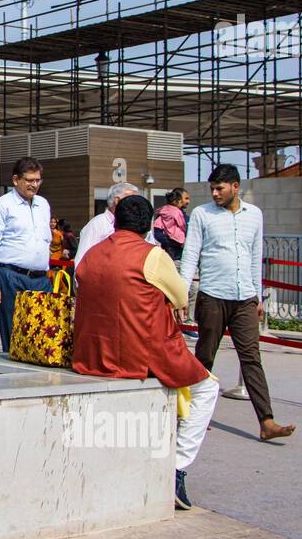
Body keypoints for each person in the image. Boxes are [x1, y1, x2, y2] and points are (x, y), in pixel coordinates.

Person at [72, 195, 220, 510]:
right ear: (150, 225)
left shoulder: (91, 256)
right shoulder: (152, 256)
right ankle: (178, 467)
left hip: (90, 353)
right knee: (209, 387)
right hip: (139, 353)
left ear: (114, 221)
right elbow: (181, 296)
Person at [180, 164, 295, 441]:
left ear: (235, 187)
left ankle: (266, 422)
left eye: (220, 188)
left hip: (245, 298)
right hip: (212, 296)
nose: (215, 193)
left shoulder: (254, 215)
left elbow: (256, 255)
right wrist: (182, 293)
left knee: (251, 358)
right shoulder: (201, 214)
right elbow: (191, 253)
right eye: (212, 189)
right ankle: (195, 413)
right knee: (205, 357)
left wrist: (257, 294)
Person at [0, 157, 53, 355]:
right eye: (30, 180)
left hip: (40, 278)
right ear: (16, 180)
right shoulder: (2, 206)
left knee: (42, 332)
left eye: (38, 180)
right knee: (14, 330)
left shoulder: (43, 205)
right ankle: (12, 374)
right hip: (11, 275)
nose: (34, 185)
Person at [73, 181, 156, 268]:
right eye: (132, 200)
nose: (137, 204)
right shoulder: (97, 224)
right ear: (117, 200)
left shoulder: (139, 223)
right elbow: (81, 261)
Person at [152, 188, 189, 262]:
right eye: (186, 198)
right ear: (178, 200)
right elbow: (158, 233)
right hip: (174, 253)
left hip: (183, 254)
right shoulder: (171, 213)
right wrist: (176, 243)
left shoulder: (165, 211)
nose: (188, 201)